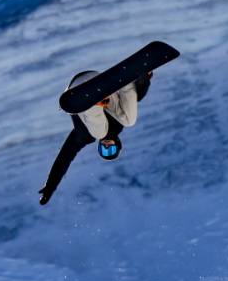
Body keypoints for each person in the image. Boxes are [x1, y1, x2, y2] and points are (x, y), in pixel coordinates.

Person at [37, 70, 152, 205]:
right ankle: (127, 83)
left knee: (98, 133)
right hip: (100, 83)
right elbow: (137, 97)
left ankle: (92, 104)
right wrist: (144, 79)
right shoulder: (121, 121)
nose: (107, 146)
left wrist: (50, 187)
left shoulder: (84, 136)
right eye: (111, 149)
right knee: (130, 121)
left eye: (104, 150)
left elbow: (64, 158)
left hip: (76, 91)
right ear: (117, 143)